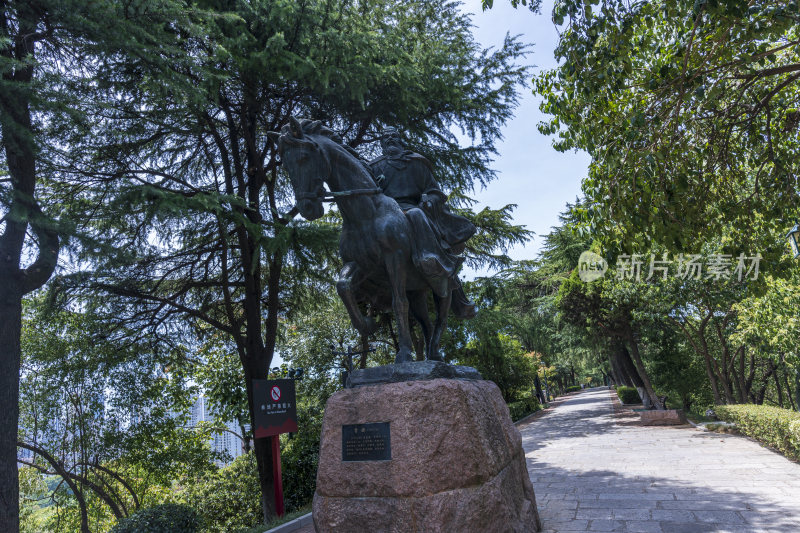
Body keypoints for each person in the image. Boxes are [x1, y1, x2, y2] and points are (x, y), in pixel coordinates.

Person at [369, 127, 476, 318]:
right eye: (386, 137)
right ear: (382, 143)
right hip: (384, 213)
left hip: (413, 208)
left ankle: (432, 261)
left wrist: (428, 201)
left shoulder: (416, 163)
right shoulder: (375, 167)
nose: (390, 139)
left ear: (400, 140)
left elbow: (434, 191)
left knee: (417, 214)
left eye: (394, 136)